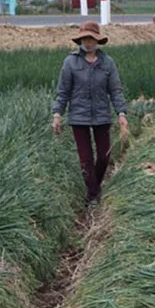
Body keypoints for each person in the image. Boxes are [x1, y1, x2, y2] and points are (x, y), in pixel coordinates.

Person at [51, 21, 128, 205]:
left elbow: (115, 91)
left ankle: (95, 186)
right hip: (79, 117)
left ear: (97, 40)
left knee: (104, 156)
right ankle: (93, 196)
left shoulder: (107, 63)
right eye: (85, 38)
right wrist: (57, 114)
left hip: (102, 116)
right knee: (85, 159)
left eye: (91, 38)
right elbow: (63, 91)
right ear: (81, 40)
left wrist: (121, 114)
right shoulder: (70, 62)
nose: (88, 42)